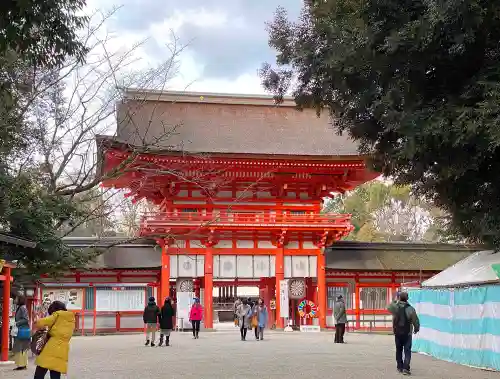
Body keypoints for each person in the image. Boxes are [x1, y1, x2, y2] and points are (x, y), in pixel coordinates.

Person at [33, 300, 76, 379]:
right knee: (55, 373)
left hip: (52, 347)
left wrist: (37, 319)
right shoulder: (71, 318)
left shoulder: (57, 315)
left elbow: (41, 322)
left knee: (40, 371)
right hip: (63, 348)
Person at [387, 291, 420, 375]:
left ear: (399, 298)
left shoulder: (395, 307)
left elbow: (388, 307)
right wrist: (416, 328)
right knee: (407, 351)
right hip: (407, 333)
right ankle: (406, 368)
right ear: (407, 298)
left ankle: (399, 367)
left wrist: (395, 300)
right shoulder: (411, 308)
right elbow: (415, 320)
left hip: (397, 332)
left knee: (399, 350)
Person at [13, 295, 30, 371]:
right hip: (21, 329)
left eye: (16, 298)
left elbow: (26, 319)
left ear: (20, 300)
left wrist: (17, 323)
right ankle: (21, 364)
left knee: (20, 347)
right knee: (21, 347)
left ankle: (22, 365)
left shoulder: (22, 308)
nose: (15, 300)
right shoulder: (21, 307)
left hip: (22, 330)